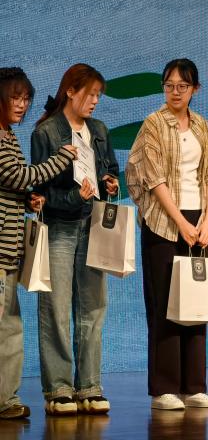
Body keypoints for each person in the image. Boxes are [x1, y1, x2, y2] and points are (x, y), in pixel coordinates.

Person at [125, 58, 208, 410]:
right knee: (165, 303)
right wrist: (181, 222)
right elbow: (153, 179)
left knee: (196, 302)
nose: (175, 92)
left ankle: (194, 386)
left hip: (199, 222)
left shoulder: (202, 125)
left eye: (183, 86)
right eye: (169, 86)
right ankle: (164, 388)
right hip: (164, 222)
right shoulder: (153, 123)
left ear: (195, 89)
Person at [32, 63, 119, 415]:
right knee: (55, 308)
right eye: (90, 94)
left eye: (99, 95)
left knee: (93, 308)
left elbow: (109, 168)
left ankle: (89, 386)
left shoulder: (99, 130)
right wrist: (73, 197)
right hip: (60, 227)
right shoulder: (47, 131)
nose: (95, 101)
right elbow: (39, 191)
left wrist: (110, 182)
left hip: (94, 225)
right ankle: (59, 389)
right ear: (71, 91)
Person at [0, 67, 76, 420]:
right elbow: (18, 175)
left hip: (8, 252)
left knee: (9, 327)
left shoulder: (8, 135)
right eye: (14, 97)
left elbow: (11, 183)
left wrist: (26, 199)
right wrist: (61, 159)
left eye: (26, 98)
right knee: (6, 328)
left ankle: (6, 399)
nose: (21, 104)